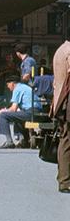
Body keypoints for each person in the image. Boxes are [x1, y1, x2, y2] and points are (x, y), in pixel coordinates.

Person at [51, 41, 70, 194]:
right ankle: (65, 180)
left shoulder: (60, 50)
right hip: (67, 101)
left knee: (65, 139)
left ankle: (63, 178)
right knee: (67, 140)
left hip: (60, 102)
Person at [0, 75, 36, 149]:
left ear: (12, 83)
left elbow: (13, 108)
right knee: (17, 115)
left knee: (3, 115)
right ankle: (23, 140)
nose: (8, 87)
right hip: (35, 112)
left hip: (30, 112)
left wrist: (4, 110)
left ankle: (9, 142)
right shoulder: (25, 87)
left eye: (8, 85)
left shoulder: (17, 89)